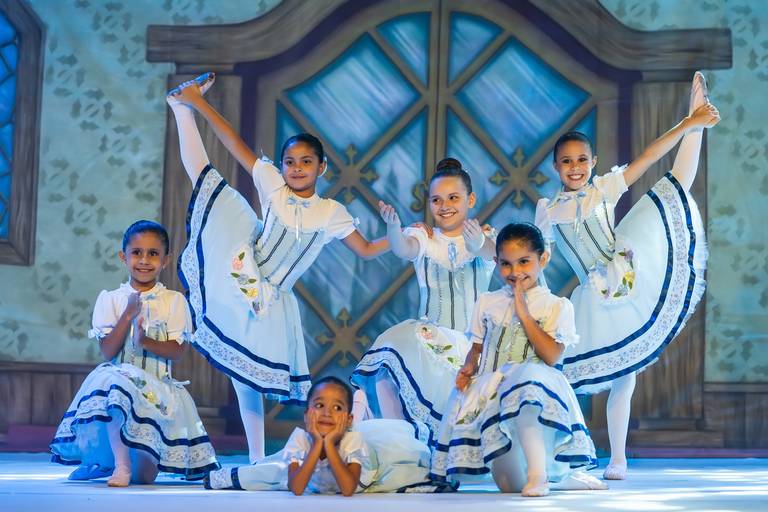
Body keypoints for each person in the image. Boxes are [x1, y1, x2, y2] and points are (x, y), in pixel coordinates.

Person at [166, 73, 390, 462]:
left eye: (306, 162)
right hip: (244, 273)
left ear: (322, 167)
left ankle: (256, 457)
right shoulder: (274, 185)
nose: (297, 168)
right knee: (208, 181)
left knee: (250, 376)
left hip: (274, 299)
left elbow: (368, 249)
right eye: (290, 162)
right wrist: (199, 104)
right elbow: (233, 143)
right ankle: (181, 109)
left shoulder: (331, 212)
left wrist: (403, 236)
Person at [535, 72, 720, 479]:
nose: (575, 167)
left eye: (582, 160)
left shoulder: (603, 188)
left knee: (673, 187)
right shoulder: (547, 210)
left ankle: (618, 458)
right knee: (561, 373)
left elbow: (650, 157)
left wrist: (687, 124)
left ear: (593, 162)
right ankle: (556, 454)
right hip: (591, 295)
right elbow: (536, 256)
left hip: (626, 271)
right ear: (555, 166)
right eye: (567, 161)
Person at [430, 223, 604, 497]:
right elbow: (477, 348)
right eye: (506, 264)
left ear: (542, 259)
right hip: (494, 393)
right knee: (509, 487)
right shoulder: (487, 302)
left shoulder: (556, 306)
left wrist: (523, 311)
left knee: (525, 378)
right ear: (497, 262)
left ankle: (539, 476)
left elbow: (551, 356)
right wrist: (468, 367)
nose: (515, 272)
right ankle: (557, 478)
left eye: (524, 262)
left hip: (536, 393)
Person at [50, 220, 218, 486]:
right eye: (137, 252)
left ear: (165, 260)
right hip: (119, 382)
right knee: (115, 381)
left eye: (153, 253)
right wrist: (128, 315)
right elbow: (108, 351)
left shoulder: (174, 301)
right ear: (123, 256)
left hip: (156, 388)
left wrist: (144, 341)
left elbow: (177, 351)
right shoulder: (111, 299)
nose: (144, 260)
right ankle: (120, 465)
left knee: (145, 479)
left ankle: (112, 464)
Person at [352, 158, 495, 443]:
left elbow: (494, 254)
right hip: (429, 340)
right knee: (389, 360)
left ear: (470, 200)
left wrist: (478, 243)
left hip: (473, 345)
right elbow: (404, 249)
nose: (445, 206)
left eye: (453, 198)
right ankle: (401, 445)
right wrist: (394, 229)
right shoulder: (424, 236)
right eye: (436, 200)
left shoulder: (485, 236)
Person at [205, 376, 453, 494]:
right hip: (315, 468)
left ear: (346, 419)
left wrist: (331, 445)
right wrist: (317, 444)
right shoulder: (301, 439)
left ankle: (359, 409)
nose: (326, 413)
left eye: (336, 408)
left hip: (372, 459)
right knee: (274, 470)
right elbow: (296, 487)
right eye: (319, 405)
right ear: (306, 415)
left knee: (401, 454)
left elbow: (348, 488)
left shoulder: (354, 441)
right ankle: (359, 409)